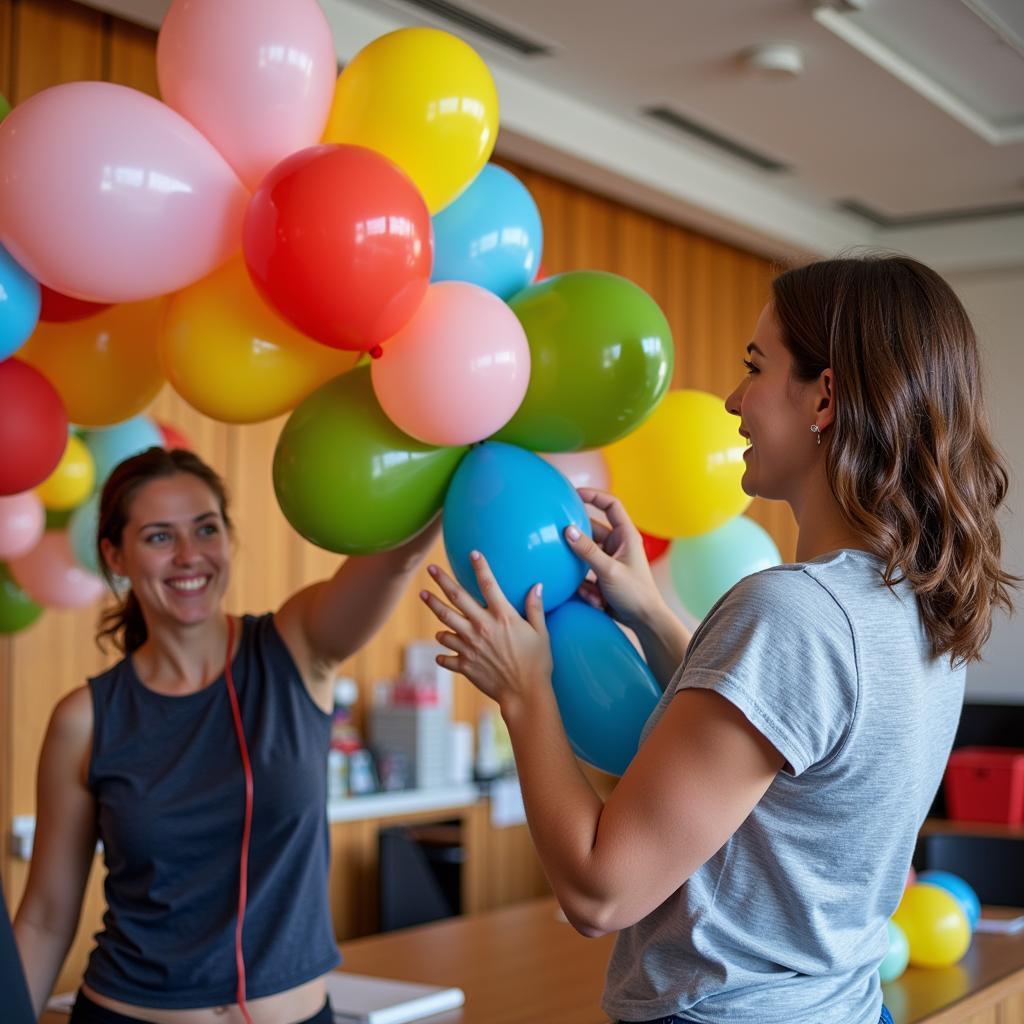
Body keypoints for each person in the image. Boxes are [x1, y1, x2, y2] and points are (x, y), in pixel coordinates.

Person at [420, 254, 1016, 1024]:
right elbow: (786, 750)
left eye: (755, 367)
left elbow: (600, 893)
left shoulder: (792, 613)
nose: (735, 399)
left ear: (824, 397)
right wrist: (649, 614)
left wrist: (523, 690)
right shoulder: (918, 604)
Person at [15, 446, 441, 1024]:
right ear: (115, 554)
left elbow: (392, 561)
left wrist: (452, 450)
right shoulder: (84, 718)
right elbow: (44, 915)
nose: (190, 556)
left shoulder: (296, 650)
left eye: (206, 529)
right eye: (160, 537)